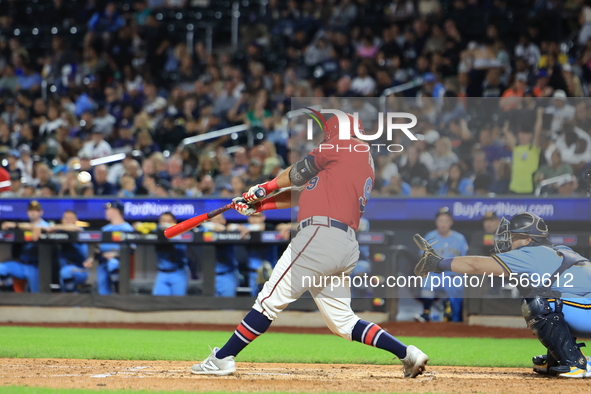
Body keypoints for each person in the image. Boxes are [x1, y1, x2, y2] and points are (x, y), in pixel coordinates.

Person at [191, 112, 429, 378]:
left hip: (320, 236)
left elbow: (297, 172)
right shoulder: (357, 157)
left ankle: (223, 357)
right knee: (344, 322)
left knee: (268, 300)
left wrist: (264, 187)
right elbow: (302, 193)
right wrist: (259, 204)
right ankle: (408, 354)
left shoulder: (343, 145)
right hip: (343, 243)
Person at [414, 212, 591, 378]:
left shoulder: (531, 253)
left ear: (528, 239)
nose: (510, 241)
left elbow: (475, 265)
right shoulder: (559, 250)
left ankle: (576, 363)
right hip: (584, 308)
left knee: (538, 302)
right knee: (550, 298)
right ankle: (559, 358)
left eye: (514, 237)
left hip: (586, 311)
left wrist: (438, 263)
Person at [416, 207, 468, 323]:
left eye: (446, 221)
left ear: (451, 222)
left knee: (457, 285)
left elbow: (466, 259)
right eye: (440, 221)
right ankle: (426, 313)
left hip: (453, 275)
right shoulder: (430, 236)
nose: (443, 224)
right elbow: (423, 258)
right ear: (436, 222)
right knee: (427, 281)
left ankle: (456, 317)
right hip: (435, 274)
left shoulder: (459, 238)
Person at [84, 201, 133, 295]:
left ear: (116, 210)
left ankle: (120, 293)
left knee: (113, 264)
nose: (106, 211)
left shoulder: (127, 228)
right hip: (103, 263)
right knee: (102, 290)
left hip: (119, 263)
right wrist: (91, 258)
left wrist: (115, 255)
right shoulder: (105, 229)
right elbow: (97, 248)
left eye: (108, 209)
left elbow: (131, 249)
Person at [0, 201, 50, 292]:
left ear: (41, 212)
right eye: (30, 210)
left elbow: (46, 229)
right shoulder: (23, 225)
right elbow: (27, 227)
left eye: (36, 210)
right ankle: (10, 290)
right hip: (24, 265)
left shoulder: (45, 225)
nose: (33, 212)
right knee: (1, 268)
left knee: (37, 296)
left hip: (39, 266)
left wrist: (16, 225)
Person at [48, 210, 89, 293]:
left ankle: (72, 299)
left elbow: (75, 228)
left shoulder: (79, 231)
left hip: (80, 270)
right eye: (65, 218)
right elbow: (49, 231)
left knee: (66, 272)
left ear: (75, 220)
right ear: (62, 220)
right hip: (63, 271)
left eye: (71, 218)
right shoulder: (59, 232)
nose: (68, 221)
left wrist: (56, 226)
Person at [150, 212, 189, 296]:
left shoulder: (181, 233)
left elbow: (181, 249)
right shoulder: (157, 232)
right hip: (162, 273)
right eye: (163, 221)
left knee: (178, 304)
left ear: (174, 222)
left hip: (178, 272)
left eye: (169, 221)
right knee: (157, 303)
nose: (165, 223)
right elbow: (138, 227)